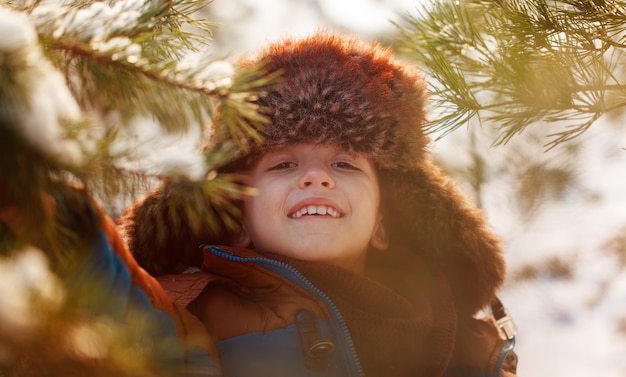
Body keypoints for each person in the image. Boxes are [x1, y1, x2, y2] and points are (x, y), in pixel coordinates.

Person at [115, 31, 518, 377]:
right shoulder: (182, 316)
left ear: (382, 222)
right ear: (238, 214)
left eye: (344, 163)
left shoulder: (466, 347)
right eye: (285, 164)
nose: (316, 177)